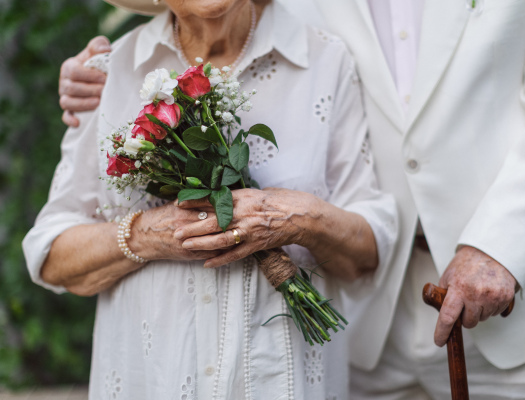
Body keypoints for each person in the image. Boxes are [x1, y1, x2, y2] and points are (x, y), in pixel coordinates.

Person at [58, 0, 525, 398]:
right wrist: (102, 70)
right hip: (357, 325)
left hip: (508, 308)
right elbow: (217, 25)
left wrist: (497, 247)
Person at [23, 0, 399, 398]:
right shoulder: (109, 72)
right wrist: (148, 234)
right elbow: (51, 255)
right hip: (151, 381)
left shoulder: (325, 59)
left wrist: (297, 218)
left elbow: (366, 254)